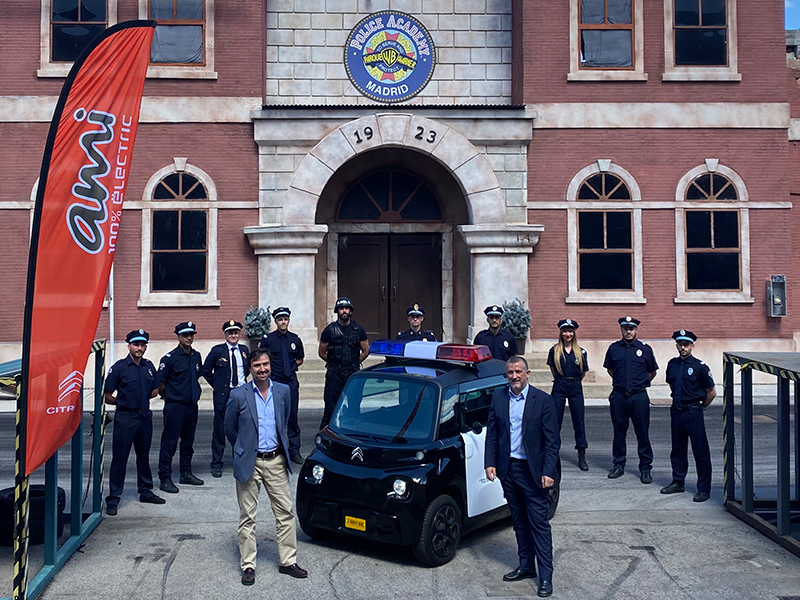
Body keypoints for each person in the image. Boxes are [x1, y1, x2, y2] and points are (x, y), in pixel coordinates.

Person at [224, 349, 308, 585]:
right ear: (250, 368)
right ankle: (248, 565)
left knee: (285, 513)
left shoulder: (283, 391)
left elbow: (287, 419)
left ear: (270, 365)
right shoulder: (238, 395)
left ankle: (288, 561)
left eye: (265, 364)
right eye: (257, 365)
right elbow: (229, 427)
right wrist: (243, 448)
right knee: (247, 516)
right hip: (250, 461)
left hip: (276, 461)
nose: (262, 369)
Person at [484, 356, 559, 598]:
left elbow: (552, 442)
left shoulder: (543, 401)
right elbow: (492, 433)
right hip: (508, 470)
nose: (514, 376)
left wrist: (549, 471)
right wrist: (490, 463)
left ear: (527, 373)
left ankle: (545, 575)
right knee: (518, 522)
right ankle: (526, 565)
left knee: (539, 524)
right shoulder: (498, 397)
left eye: (518, 372)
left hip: (534, 473)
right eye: (510, 373)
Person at [103, 329, 165, 515]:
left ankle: (145, 491)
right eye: (136, 344)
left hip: (144, 417)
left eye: (142, 344)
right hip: (125, 418)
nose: (139, 348)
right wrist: (124, 403)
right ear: (128, 345)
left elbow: (154, 390)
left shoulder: (148, 366)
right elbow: (107, 396)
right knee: (120, 459)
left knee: (143, 456)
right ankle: (113, 498)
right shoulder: (120, 367)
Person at [661, 330, 716, 502]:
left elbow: (711, 392)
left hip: (693, 412)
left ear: (692, 345)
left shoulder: (700, 367)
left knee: (700, 451)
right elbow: (671, 384)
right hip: (677, 411)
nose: (683, 347)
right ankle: (678, 481)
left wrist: (700, 407)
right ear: (676, 345)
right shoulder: (672, 364)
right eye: (680, 344)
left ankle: (704, 489)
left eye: (686, 344)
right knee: (677, 449)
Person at [603, 316, 659, 484]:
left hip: (639, 397)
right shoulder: (613, 349)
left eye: (631, 328)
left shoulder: (645, 349)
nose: (628, 331)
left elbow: (652, 372)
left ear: (636, 330)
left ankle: (645, 468)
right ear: (621, 329)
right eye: (625, 328)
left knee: (642, 433)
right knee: (619, 432)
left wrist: (638, 385)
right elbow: (611, 370)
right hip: (619, 396)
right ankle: (619, 465)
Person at [157, 321, 204, 493]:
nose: (189, 338)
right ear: (178, 336)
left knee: (188, 442)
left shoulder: (196, 356)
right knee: (169, 443)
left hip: (191, 405)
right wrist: (172, 395)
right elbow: (161, 383)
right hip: (175, 406)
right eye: (185, 335)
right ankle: (165, 478)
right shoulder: (170, 359)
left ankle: (185, 473)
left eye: (191, 335)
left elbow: (197, 376)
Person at [202, 320, 250, 477]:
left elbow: (247, 369)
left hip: (242, 394)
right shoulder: (218, 351)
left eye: (236, 332)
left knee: (243, 429)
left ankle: (241, 459)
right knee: (220, 429)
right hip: (225, 395)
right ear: (225, 334)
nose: (233, 335)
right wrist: (218, 385)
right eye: (230, 333)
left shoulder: (244, 350)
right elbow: (206, 370)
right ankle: (216, 463)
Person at [259, 307, 305, 465]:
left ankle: (294, 451)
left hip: (291, 381)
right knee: (275, 417)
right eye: (280, 319)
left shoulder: (295, 339)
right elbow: (262, 359)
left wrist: (291, 366)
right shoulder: (268, 340)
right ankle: (277, 450)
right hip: (275, 382)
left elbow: (300, 358)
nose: (283, 322)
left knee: (293, 416)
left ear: (289, 320)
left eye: (285, 319)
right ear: (276, 321)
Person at [318, 297, 369, 430]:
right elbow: (322, 352)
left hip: (353, 373)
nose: (344, 311)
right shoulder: (329, 330)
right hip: (335, 373)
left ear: (351, 311)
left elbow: (365, 350)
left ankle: (352, 435)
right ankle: (326, 437)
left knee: (354, 406)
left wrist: (354, 362)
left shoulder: (359, 329)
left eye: (346, 308)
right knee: (330, 408)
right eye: (341, 308)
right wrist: (334, 362)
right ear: (337, 311)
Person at [547, 319, 589, 471]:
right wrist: (563, 380)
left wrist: (573, 381)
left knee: (578, 421)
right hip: (559, 385)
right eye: (565, 331)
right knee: (555, 421)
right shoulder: (555, 351)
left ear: (574, 332)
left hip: (575, 386)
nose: (568, 334)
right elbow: (553, 369)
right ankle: (552, 454)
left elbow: (583, 372)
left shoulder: (581, 351)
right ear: (561, 332)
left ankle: (581, 455)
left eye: (570, 331)